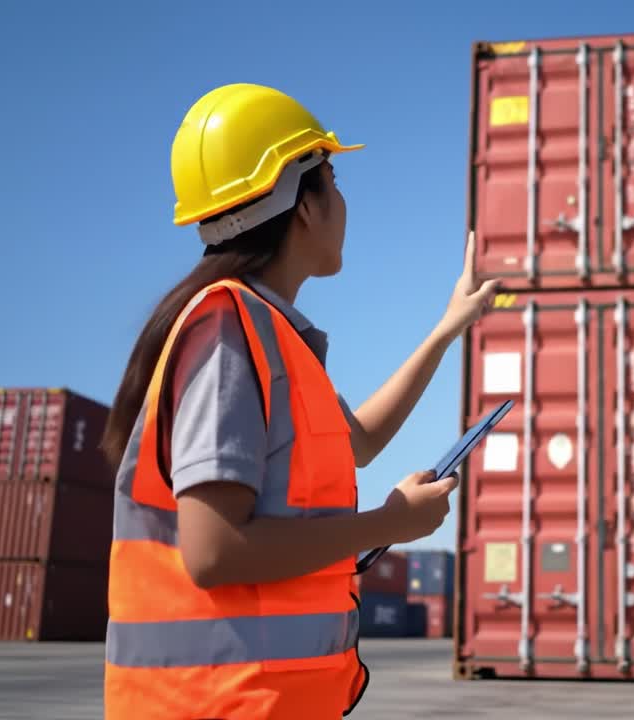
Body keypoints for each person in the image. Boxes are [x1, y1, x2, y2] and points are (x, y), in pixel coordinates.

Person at [99, 83, 498, 719]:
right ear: (303, 205)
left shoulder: (272, 337)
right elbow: (214, 551)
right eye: (332, 179)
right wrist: (388, 525)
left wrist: (447, 328)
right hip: (214, 707)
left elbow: (359, 441)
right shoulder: (227, 333)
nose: (343, 201)